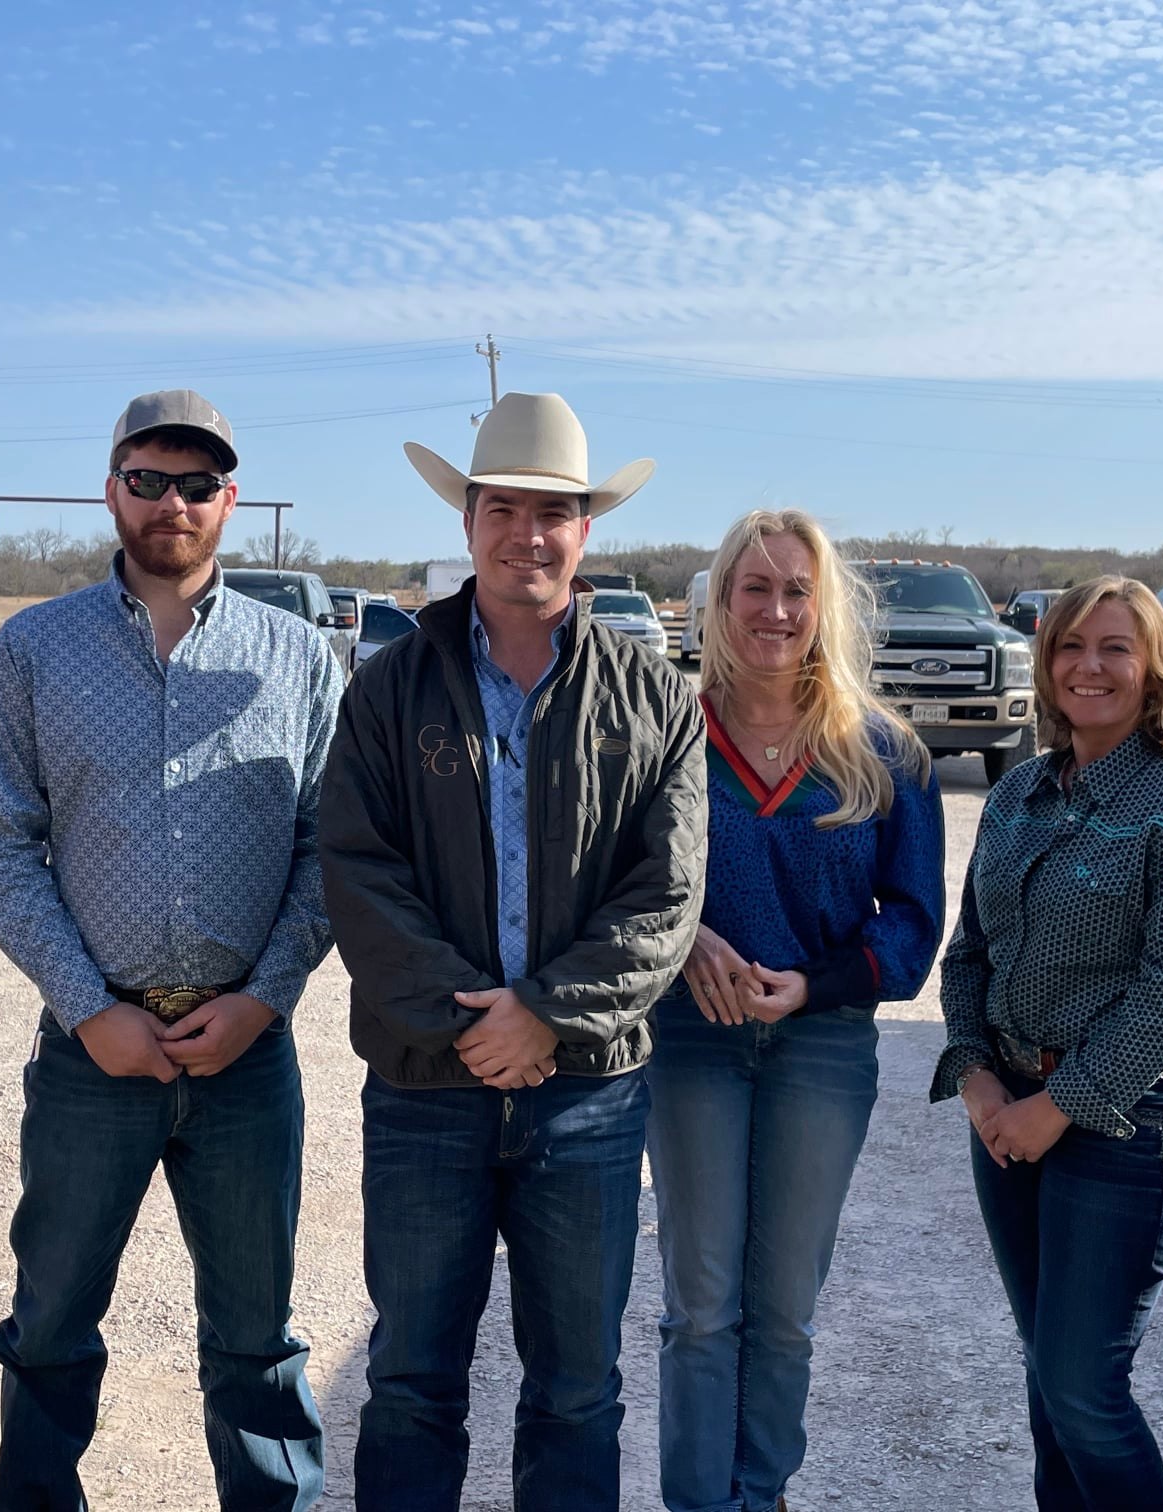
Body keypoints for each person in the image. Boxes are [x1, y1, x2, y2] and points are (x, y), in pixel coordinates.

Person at [321, 391, 707, 1512]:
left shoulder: (651, 696)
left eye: (552, 512)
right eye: (503, 508)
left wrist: (545, 1011)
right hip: (422, 1090)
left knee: (577, 1391)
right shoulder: (389, 689)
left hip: (585, 1095)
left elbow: (666, 892)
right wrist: (472, 1024)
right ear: (468, 521)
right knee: (409, 1384)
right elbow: (359, 868)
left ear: (586, 531)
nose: (524, 533)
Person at [0, 390, 341, 1512]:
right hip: (92, 1056)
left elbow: (334, 850)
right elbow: (0, 843)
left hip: (246, 1055)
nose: (172, 502)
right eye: (148, 479)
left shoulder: (298, 660)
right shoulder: (34, 651)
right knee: (51, 1329)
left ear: (230, 500)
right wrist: (89, 1008)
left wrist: (266, 1000)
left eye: (197, 483)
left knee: (255, 1342)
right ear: (113, 486)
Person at [647, 509, 946, 1512]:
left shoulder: (883, 752)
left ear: (825, 610)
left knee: (783, 1312)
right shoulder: (668, 733)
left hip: (821, 1047)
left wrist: (814, 983)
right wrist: (685, 942)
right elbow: (618, 882)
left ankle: (757, 1494)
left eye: (796, 591)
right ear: (721, 602)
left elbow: (911, 929)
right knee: (700, 1307)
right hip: (692, 1041)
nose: (776, 610)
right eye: (755, 588)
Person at [930, 576, 1163, 1512]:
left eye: (1114, 647)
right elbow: (969, 955)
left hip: (1131, 1124)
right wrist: (980, 1082)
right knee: (1048, 1381)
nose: (1090, 666)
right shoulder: (1020, 791)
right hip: (1009, 1117)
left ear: (1153, 666)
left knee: (1084, 1390)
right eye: (1071, 646)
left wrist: (1055, 1108)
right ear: (1046, 660)